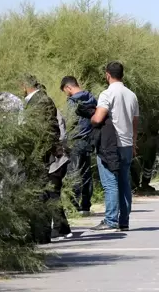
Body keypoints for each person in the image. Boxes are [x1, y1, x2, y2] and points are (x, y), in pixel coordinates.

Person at [20, 74, 72, 242]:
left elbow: (44, 131)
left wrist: (35, 152)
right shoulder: (40, 99)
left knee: (42, 193)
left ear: (24, 85)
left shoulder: (40, 101)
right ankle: (43, 232)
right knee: (42, 193)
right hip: (43, 154)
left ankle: (42, 234)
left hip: (41, 154)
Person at [91, 62, 139, 231]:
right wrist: (134, 143)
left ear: (107, 75)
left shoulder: (107, 93)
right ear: (122, 74)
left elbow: (98, 118)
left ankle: (111, 220)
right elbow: (135, 121)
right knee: (124, 182)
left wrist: (92, 117)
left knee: (110, 183)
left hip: (111, 145)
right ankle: (124, 220)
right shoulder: (131, 95)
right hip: (126, 143)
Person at [60, 76, 97, 216]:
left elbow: (70, 121)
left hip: (75, 140)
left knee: (73, 173)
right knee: (86, 173)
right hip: (88, 140)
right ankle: (86, 206)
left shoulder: (72, 101)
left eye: (65, 91)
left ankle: (74, 206)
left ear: (68, 87)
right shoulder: (92, 98)